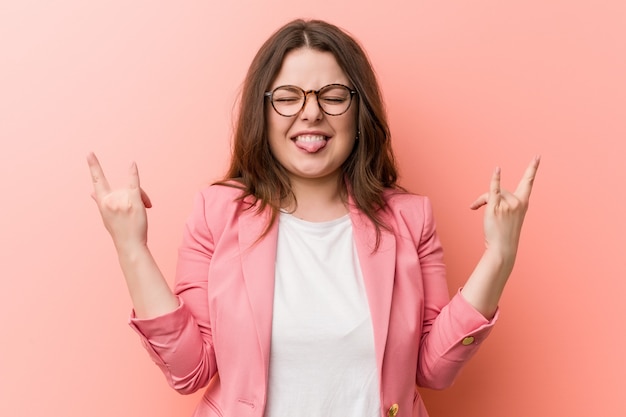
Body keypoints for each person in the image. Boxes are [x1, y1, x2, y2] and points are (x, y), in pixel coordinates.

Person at [87, 19, 540, 417]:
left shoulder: (410, 219)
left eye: (333, 96)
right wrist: (131, 247)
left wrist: (499, 256)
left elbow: (433, 370)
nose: (311, 112)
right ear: (261, 114)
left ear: (359, 111)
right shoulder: (217, 213)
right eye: (287, 97)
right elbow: (189, 371)